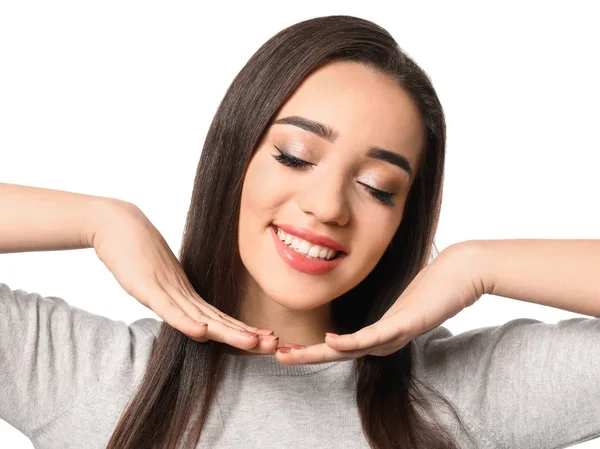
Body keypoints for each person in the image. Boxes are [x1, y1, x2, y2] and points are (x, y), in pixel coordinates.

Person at [1, 14, 600, 449]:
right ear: (234, 158)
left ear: (403, 218)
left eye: (378, 187)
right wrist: (101, 220)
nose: (327, 206)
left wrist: (476, 265)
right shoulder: (79, 371)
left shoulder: (468, 394)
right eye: (294, 155)